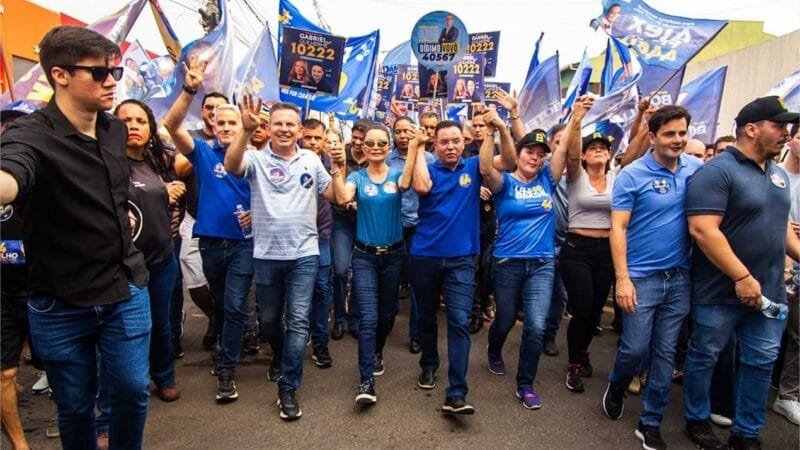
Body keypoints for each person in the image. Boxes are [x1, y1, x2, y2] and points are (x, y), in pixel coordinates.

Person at [0, 26, 150, 449]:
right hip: (60, 301)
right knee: (74, 406)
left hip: (125, 289)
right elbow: (10, 174)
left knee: (132, 393)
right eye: (99, 73)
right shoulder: (29, 135)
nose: (111, 82)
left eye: (115, 72)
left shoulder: (115, 130)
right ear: (59, 75)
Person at [683, 96, 800, 449]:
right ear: (752, 129)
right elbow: (704, 229)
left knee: (761, 362)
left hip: (769, 294)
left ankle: (746, 433)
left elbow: (781, 229)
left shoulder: (778, 175)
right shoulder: (716, 172)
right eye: (778, 126)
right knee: (706, 356)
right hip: (720, 292)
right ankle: (697, 420)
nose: (786, 133)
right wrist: (742, 277)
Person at [223, 95, 347, 421]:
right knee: (268, 321)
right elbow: (233, 165)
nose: (284, 129)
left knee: (298, 321)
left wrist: (336, 168)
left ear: (299, 129)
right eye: (278, 123)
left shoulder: (310, 159)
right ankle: (279, 354)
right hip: (265, 254)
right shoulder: (256, 159)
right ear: (269, 126)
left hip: (305, 253)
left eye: (290, 124)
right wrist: (245, 132)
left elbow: (335, 197)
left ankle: (288, 388)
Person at [601, 106, 702, 450]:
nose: (678, 140)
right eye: (670, 134)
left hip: (680, 279)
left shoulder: (697, 170)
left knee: (665, 352)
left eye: (682, 133)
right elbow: (618, 228)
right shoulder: (632, 175)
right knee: (634, 348)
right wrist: (623, 279)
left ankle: (651, 421)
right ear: (654, 135)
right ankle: (617, 384)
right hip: (640, 278)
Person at [410, 112, 516, 415]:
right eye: (443, 142)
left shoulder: (474, 167)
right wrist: (417, 148)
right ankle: (429, 365)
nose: (450, 147)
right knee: (426, 318)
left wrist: (498, 130)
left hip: (461, 261)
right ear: (436, 145)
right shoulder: (427, 167)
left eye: (456, 141)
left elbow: (507, 162)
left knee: (458, 322)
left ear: (464, 141)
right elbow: (420, 187)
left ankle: (456, 392)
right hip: (425, 256)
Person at [163, 55, 253, 403]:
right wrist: (190, 89)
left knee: (233, 306)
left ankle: (227, 370)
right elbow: (172, 126)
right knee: (220, 301)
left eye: (234, 122)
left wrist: (255, 217)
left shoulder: (256, 156)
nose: (227, 127)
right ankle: (231, 343)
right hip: (212, 245)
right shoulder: (201, 151)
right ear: (213, 126)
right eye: (221, 122)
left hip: (245, 246)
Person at [480, 123, 567, 409]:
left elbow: (564, 148)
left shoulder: (547, 180)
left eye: (541, 154)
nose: (536, 157)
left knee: (536, 326)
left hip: (542, 265)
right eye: (530, 151)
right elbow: (484, 167)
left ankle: (525, 384)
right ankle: (494, 349)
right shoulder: (504, 183)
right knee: (504, 319)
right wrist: (492, 132)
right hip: (507, 263)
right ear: (518, 154)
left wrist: (577, 118)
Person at [337, 123, 416, 404]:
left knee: (387, 315)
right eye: (370, 143)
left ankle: (378, 350)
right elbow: (343, 197)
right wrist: (337, 169)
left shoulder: (397, 175)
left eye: (382, 143)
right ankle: (366, 381)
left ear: (389, 146)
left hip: (394, 256)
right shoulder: (356, 178)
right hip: (365, 258)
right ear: (362, 146)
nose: (375, 147)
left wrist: (416, 144)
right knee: (368, 319)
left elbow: (407, 183)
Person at [116, 99, 183, 402]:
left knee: (161, 323)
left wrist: (171, 196)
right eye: (126, 120)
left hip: (162, 258)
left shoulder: (154, 161)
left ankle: (164, 376)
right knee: (133, 328)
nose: (133, 126)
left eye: (141, 121)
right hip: (126, 264)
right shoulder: (107, 163)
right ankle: (133, 382)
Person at [0, 100, 38, 450]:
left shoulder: (41, 169)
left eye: (20, 124)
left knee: (61, 367)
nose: (12, 129)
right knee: (5, 373)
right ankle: (19, 444)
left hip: (43, 287)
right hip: (3, 289)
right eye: (7, 122)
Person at [183, 92, 228, 352]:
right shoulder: (195, 139)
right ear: (202, 111)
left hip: (229, 225)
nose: (214, 112)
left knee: (223, 283)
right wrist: (206, 150)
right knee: (194, 279)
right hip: (195, 219)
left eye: (220, 108)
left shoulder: (237, 139)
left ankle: (225, 328)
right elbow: (179, 166)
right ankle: (214, 317)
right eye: (209, 107)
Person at [388, 116, 435, 354]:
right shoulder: (386, 159)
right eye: (398, 131)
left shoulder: (428, 158)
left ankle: (416, 334)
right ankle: (386, 322)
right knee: (392, 279)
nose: (403, 135)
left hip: (420, 227)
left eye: (408, 131)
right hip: (393, 226)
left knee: (419, 283)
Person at [301, 118, 335, 369]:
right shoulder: (292, 161)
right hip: (294, 238)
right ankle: (295, 338)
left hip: (322, 235)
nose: (312, 142)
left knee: (322, 289)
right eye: (308, 137)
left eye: (317, 138)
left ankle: (320, 342)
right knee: (298, 293)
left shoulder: (332, 163)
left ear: (324, 140)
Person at [331, 120, 369, 340]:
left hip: (365, 223)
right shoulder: (341, 154)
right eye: (354, 137)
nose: (356, 142)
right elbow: (333, 186)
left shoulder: (375, 158)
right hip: (341, 221)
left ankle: (355, 318)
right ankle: (339, 318)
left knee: (360, 271)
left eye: (361, 139)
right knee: (340, 270)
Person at [773, 122, 800, 425]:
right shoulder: (772, 175)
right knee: (768, 335)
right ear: (791, 139)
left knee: (799, 336)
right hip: (774, 265)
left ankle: (788, 395)